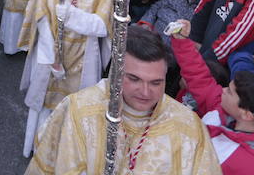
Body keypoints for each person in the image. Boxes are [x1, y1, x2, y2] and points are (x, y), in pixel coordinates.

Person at [25, 25, 220, 175]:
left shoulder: (188, 125)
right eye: (134, 79)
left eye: (155, 83)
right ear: (116, 73)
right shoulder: (78, 109)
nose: (145, 92)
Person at [17, 0, 112, 157]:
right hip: (51, 53)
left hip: (84, 54)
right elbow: (39, 18)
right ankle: (38, 147)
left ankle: (68, 154)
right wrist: (53, 58)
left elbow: (102, 26)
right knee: (46, 100)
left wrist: (71, 16)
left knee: (77, 107)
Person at [170, 19, 254, 175]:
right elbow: (199, 77)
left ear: (247, 114)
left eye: (230, 91)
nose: (222, 90)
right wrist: (182, 42)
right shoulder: (225, 109)